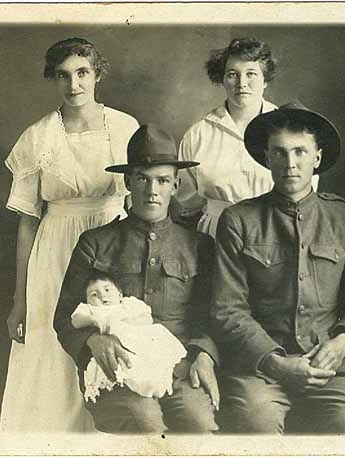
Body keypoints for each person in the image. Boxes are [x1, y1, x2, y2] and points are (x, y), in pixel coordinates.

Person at [0, 37, 139, 432]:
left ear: (97, 75)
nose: (73, 84)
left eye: (82, 73)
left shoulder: (125, 127)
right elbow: (27, 221)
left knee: (110, 337)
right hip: (55, 250)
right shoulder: (37, 136)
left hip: (112, 244)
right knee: (53, 347)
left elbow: (137, 204)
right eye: (63, 75)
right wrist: (19, 299)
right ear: (53, 79)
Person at [212, 102, 345, 434]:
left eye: (300, 152)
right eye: (280, 153)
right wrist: (274, 361)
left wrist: (343, 342)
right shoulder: (239, 221)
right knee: (256, 422)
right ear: (266, 158)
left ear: (318, 158)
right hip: (259, 364)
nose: (290, 164)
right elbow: (228, 308)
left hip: (332, 363)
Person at [53, 124, 220, 434]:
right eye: (142, 179)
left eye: (162, 180)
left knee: (200, 426)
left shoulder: (199, 246)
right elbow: (63, 317)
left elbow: (210, 316)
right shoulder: (97, 243)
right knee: (145, 425)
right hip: (118, 367)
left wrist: (205, 355)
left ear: (176, 184)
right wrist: (92, 339)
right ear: (128, 181)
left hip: (180, 366)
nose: (152, 190)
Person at [175, 37, 318, 238]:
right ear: (222, 79)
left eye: (251, 74)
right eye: (233, 74)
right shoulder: (199, 134)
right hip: (216, 231)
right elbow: (186, 199)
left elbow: (306, 187)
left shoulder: (288, 126)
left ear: (265, 80)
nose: (242, 83)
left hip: (275, 228)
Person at [70, 272, 187, 403]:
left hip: (137, 337)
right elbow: (76, 319)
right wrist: (94, 319)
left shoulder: (127, 304)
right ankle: (147, 387)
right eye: (94, 295)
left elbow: (145, 315)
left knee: (156, 351)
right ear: (87, 301)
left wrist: (131, 317)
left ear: (120, 295)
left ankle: (164, 378)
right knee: (131, 367)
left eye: (107, 290)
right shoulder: (93, 311)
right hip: (118, 344)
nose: (103, 296)